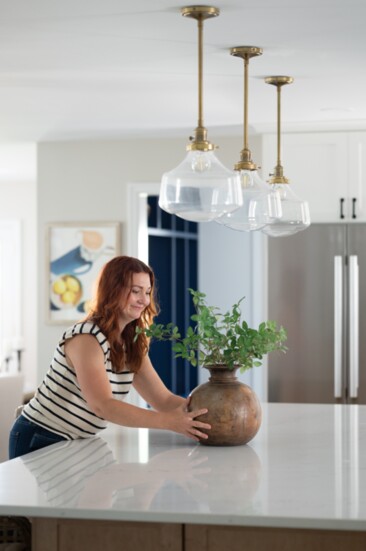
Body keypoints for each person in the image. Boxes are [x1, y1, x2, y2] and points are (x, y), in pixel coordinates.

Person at [9, 256, 211, 459]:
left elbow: (163, 399)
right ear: (112, 290)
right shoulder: (86, 337)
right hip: (40, 435)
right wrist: (168, 422)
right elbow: (102, 405)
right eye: (135, 291)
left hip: (76, 440)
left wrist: (207, 416)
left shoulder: (131, 343)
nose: (144, 300)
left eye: (147, 292)